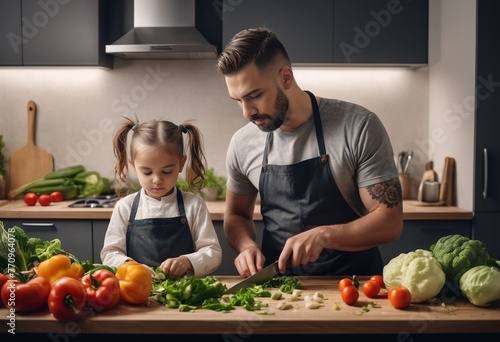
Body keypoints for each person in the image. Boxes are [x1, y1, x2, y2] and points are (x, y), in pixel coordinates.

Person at [216, 27, 403, 278]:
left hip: (355, 288)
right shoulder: (242, 143)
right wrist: (246, 245)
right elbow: (236, 215)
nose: (247, 112)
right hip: (277, 289)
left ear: (285, 78)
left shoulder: (358, 126)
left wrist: (324, 235)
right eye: (238, 100)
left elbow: (389, 223)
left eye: (255, 96)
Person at [101, 117, 222, 277]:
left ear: (181, 164)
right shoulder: (125, 207)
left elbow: (212, 252)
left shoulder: (193, 205)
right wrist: (130, 267)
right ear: (133, 166)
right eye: (147, 172)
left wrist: (187, 261)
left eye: (166, 171)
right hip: (137, 293)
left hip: (184, 296)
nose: (157, 180)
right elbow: (110, 253)